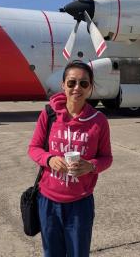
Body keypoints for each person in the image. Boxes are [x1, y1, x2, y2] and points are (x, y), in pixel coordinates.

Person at [28, 60, 113, 257]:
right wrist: (49, 160)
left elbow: (106, 158)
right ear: (63, 85)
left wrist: (91, 166)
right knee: (52, 253)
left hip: (80, 204)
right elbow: (34, 148)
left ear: (90, 88)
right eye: (71, 82)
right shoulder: (48, 114)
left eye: (84, 83)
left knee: (78, 253)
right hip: (48, 201)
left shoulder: (98, 121)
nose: (77, 88)